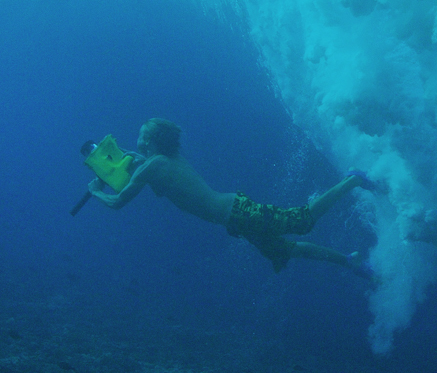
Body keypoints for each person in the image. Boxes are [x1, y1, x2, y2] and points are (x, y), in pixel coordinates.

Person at [86, 118, 378, 278]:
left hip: (237, 212)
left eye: (140, 135)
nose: (136, 140)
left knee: (301, 220)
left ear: (149, 141)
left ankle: (353, 179)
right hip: (235, 218)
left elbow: (118, 202)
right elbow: (154, 177)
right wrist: (127, 162)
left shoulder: (154, 166)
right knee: (285, 251)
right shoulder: (164, 161)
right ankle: (349, 261)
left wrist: (96, 191)